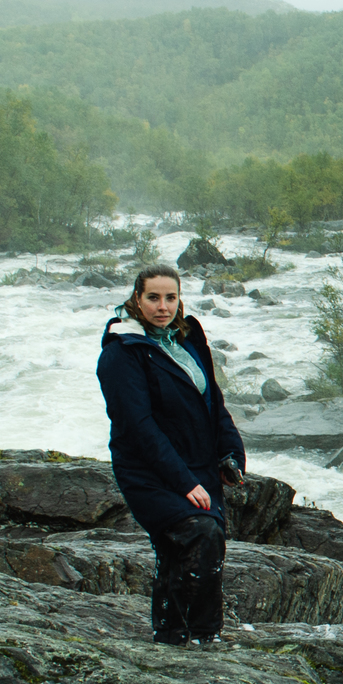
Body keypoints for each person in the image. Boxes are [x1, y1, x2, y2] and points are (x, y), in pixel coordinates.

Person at [96, 263, 247, 646]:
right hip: (149, 469)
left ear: (179, 300)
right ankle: (192, 634)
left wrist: (231, 452)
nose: (162, 306)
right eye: (153, 297)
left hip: (197, 461)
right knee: (199, 533)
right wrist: (185, 482)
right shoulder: (122, 353)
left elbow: (211, 400)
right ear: (136, 299)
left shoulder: (187, 339)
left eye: (170, 297)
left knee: (190, 544)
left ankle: (184, 633)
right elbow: (139, 427)